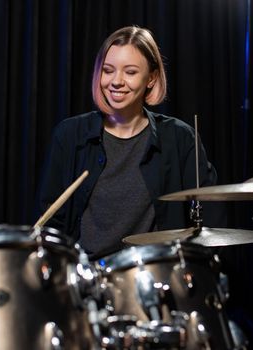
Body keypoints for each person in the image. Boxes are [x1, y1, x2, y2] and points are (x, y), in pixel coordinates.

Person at [37, 26, 224, 259]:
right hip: (85, 281)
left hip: (156, 278)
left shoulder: (180, 138)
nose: (116, 81)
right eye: (108, 70)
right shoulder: (69, 135)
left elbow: (212, 219)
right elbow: (50, 224)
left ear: (151, 78)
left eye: (130, 72)